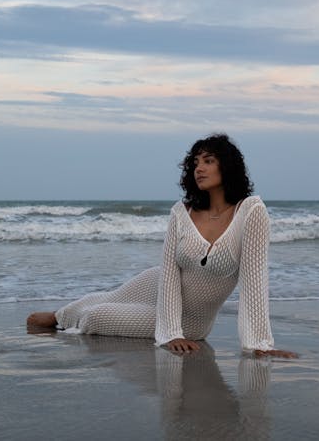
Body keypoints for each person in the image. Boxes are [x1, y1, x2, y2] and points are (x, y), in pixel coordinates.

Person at [27, 133, 298, 358]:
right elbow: (169, 271)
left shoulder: (250, 211)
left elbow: (255, 280)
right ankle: (59, 316)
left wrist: (259, 343)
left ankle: (64, 318)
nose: (199, 169)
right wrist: (170, 335)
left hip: (191, 320)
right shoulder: (183, 212)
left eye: (208, 161)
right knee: (106, 298)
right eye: (194, 164)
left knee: (97, 317)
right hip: (157, 282)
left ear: (227, 166)